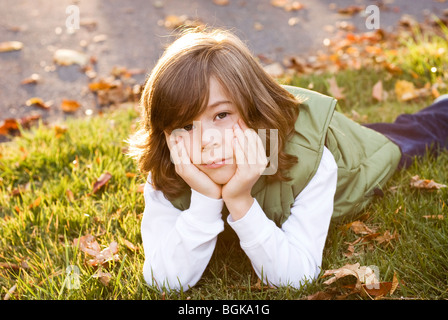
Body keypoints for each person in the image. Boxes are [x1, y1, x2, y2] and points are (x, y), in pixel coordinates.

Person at [127, 28, 448, 291]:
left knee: (408, 138)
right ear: (165, 133)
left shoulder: (311, 158)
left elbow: (296, 277)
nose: (206, 140)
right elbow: (164, 281)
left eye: (222, 114)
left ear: (253, 112)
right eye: (185, 124)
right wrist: (204, 199)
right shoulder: (170, 166)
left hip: (350, 158)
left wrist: (239, 200)